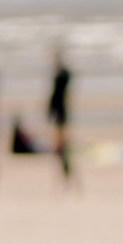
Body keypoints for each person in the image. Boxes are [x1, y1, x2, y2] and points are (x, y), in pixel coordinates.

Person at [48, 45, 76, 186]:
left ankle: (67, 177)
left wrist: (51, 112)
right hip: (60, 113)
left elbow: (56, 97)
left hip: (60, 114)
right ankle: (65, 177)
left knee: (61, 148)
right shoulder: (61, 73)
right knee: (60, 148)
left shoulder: (62, 74)